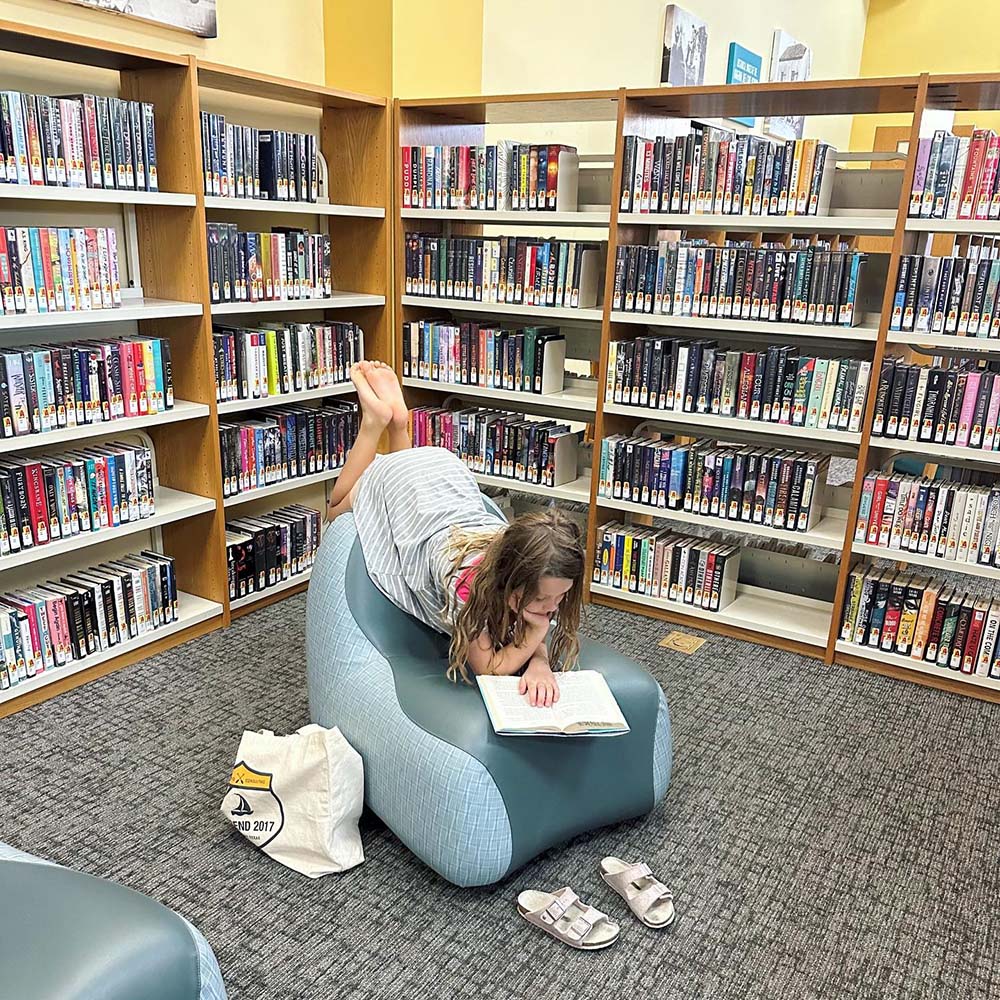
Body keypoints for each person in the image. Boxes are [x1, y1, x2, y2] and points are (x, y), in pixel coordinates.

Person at [327, 360, 585, 708]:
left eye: (559, 598)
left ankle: (400, 426)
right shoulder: (468, 582)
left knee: (409, 486)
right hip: (409, 485)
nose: (551, 609)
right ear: (510, 582)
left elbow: (523, 630)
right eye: (541, 601)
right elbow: (489, 669)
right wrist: (537, 636)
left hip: (442, 476)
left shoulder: (526, 558)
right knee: (336, 510)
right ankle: (374, 424)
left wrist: (540, 664)